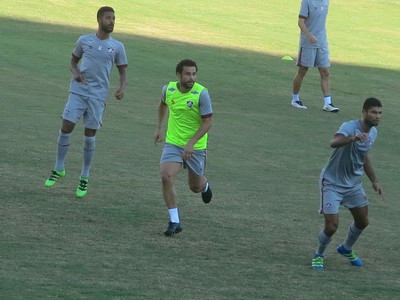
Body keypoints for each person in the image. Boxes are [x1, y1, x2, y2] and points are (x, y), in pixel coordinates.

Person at [44, 6, 128, 198]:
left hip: (98, 96)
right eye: (108, 18)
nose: (112, 22)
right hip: (78, 91)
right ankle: (59, 167)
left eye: (114, 18)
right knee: (66, 126)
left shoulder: (117, 47)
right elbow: (73, 62)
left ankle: (84, 176)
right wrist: (77, 73)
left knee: (90, 133)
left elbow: (123, 71)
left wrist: (121, 88)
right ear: (99, 20)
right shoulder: (84, 40)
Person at [311, 98, 384, 270]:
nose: (377, 116)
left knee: (363, 221)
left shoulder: (373, 133)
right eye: (374, 112)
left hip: (353, 184)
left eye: (380, 113)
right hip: (332, 182)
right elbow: (333, 143)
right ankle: (319, 254)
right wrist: (352, 138)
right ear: (364, 112)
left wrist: (374, 181)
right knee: (331, 226)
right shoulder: (349, 127)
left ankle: (346, 248)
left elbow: (364, 157)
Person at [154, 59, 213, 236]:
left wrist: (192, 143)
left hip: (196, 147)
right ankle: (174, 221)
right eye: (188, 74)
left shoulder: (201, 94)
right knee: (166, 176)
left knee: (194, 187)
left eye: (194, 74)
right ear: (179, 74)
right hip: (173, 143)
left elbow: (208, 122)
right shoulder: (168, 89)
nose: (191, 78)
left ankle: (204, 186)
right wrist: (159, 128)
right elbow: (163, 104)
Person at [291, 0, 339, 112]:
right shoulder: (307, 1)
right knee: (303, 70)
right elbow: (300, 22)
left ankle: (328, 103)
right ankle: (295, 99)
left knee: (325, 71)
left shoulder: (326, 1)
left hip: (322, 41)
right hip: (308, 42)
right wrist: (308, 35)